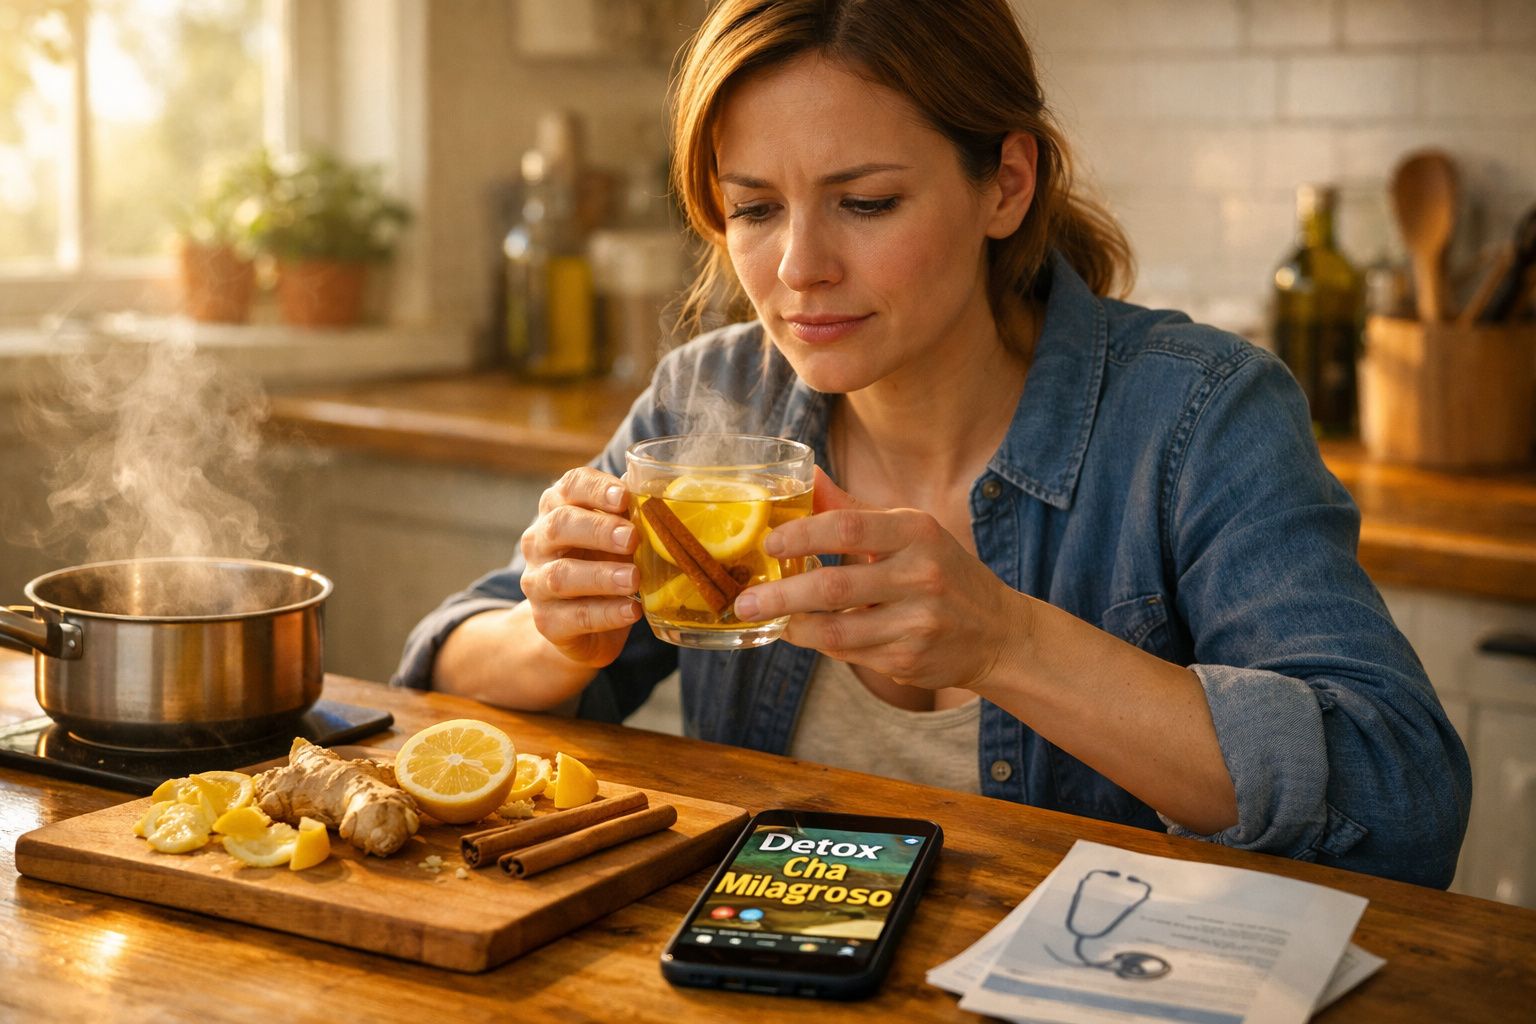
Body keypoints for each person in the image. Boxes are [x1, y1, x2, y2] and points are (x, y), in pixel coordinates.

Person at [395, 0, 1469, 888]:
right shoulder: (712, 398)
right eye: (754, 209)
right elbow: (443, 666)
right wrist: (558, 636)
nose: (798, 268)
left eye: (865, 202)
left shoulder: (1198, 416)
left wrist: (1008, 643)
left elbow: (1402, 798)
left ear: (1007, 184)